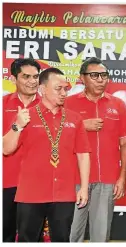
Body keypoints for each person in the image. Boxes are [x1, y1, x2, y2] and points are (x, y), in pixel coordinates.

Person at [2, 68, 91, 242]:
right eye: (58, 88)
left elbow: (83, 154)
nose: (64, 93)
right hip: (31, 193)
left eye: (66, 88)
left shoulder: (74, 119)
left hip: (64, 193)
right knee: (27, 239)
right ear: (43, 90)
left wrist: (85, 188)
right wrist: (17, 126)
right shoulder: (26, 116)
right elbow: (6, 149)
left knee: (61, 239)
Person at [65, 57, 126, 242]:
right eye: (94, 75)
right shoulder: (68, 104)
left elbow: (125, 143)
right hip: (75, 179)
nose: (101, 80)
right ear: (82, 78)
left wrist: (123, 176)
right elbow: (57, 138)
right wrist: (81, 125)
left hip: (107, 179)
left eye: (104, 75)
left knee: (101, 235)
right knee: (72, 232)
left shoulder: (118, 105)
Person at [2, 58, 41, 242]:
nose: (32, 81)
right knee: (5, 234)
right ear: (13, 79)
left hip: (37, 183)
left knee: (32, 237)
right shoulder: (2, 104)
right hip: (7, 181)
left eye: (35, 77)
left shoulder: (50, 106)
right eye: (26, 76)